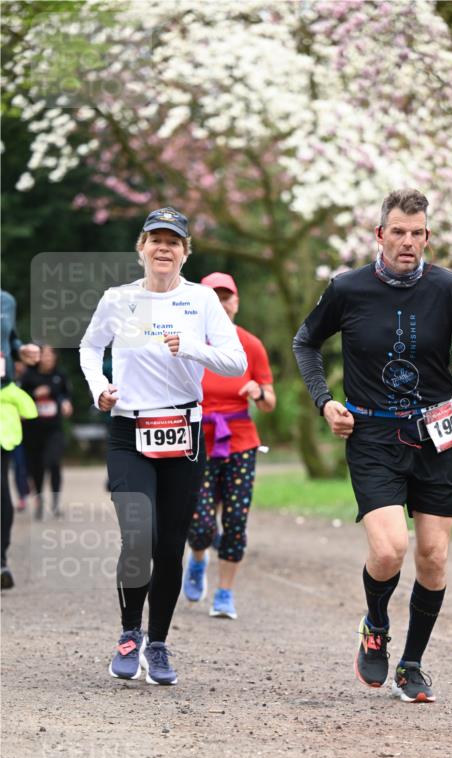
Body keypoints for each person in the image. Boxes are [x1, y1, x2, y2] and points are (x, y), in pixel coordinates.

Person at [293, 189, 452, 703]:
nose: (407, 242)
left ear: (427, 236)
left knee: (433, 558)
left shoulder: (449, 288)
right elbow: (305, 342)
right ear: (379, 235)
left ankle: (411, 664)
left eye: (417, 233)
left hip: (435, 435)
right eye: (398, 232)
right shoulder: (347, 289)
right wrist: (325, 402)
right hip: (372, 435)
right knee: (390, 549)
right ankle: (376, 625)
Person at [79, 207, 247, 685]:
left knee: (170, 544)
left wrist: (190, 346)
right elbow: (91, 348)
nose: (163, 248)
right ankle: (130, 635)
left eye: (173, 242)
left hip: (183, 431)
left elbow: (234, 362)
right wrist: (99, 388)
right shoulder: (118, 299)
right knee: (138, 536)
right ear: (141, 248)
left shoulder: (202, 302)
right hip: (129, 430)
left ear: (184, 253)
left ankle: (158, 644)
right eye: (155, 240)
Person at [182, 272, 275, 618]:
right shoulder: (189, 344)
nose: (221, 304)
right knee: (203, 522)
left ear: (236, 302)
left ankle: (224, 593)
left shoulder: (250, 345)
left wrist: (258, 391)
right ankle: (197, 558)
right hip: (197, 442)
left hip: (240, 442)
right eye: (213, 297)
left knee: (235, 520)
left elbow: (269, 402)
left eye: (226, 297)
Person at [20, 345, 73, 518]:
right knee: (37, 467)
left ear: (55, 358)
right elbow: (20, 396)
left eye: (51, 355)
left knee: (53, 461)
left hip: (54, 429)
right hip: (33, 429)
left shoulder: (60, 376)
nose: (47, 359)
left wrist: (66, 403)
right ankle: (39, 500)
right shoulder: (29, 375)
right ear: (39, 357)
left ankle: (56, 503)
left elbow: (66, 394)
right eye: (44, 355)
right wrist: (34, 394)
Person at [1, 380, 38, 588]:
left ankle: (1, 560)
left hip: (3, 442)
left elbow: (30, 411)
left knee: (2, 494)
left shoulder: (10, 390)